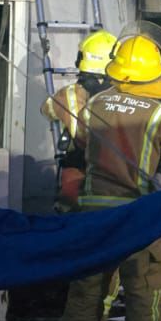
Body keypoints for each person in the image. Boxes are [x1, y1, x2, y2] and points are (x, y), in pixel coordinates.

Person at [53, 30, 161, 321]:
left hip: (93, 220)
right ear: (155, 73)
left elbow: (74, 157)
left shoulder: (95, 105)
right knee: (144, 294)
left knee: (85, 292)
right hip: (138, 220)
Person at [41, 29, 117, 207]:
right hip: (115, 172)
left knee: (72, 218)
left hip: (78, 168)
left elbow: (46, 110)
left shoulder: (68, 95)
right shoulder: (124, 96)